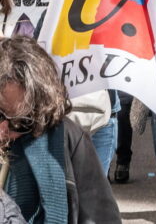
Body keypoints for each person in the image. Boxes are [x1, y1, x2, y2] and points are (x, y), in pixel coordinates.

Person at [0, 36, 121, 222]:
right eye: (0, 115)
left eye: (22, 122)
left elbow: (100, 217)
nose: (4, 130)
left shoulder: (68, 138)